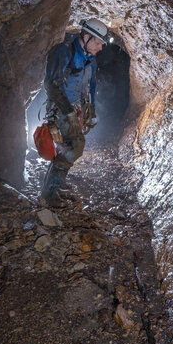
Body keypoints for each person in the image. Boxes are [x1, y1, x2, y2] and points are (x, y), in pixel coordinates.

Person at [40, 18, 109, 205]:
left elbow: (92, 85)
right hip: (60, 108)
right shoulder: (63, 52)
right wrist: (68, 112)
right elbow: (52, 85)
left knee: (68, 147)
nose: (100, 48)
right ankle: (48, 194)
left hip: (76, 109)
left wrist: (91, 110)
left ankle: (56, 183)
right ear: (86, 37)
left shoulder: (91, 60)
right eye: (98, 42)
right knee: (76, 146)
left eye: (102, 44)